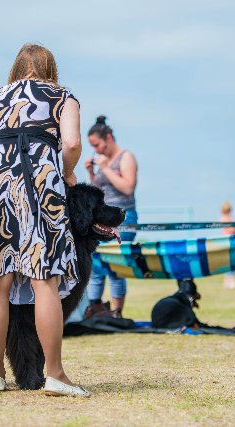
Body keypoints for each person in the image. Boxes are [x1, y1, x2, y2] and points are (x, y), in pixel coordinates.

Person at [0, 43, 89, 397]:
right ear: (50, 68)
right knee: (44, 280)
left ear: (15, 68)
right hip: (39, 187)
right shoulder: (62, 96)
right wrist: (68, 173)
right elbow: (70, 143)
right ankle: (54, 374)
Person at [83, 115, 138, 318]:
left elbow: (128, 187)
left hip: (124, 217)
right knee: (96, 264)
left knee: (115, 266)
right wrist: (91, 174)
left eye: (97, 145)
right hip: (103, 218)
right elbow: (99, 194)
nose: (95, 150)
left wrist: (105, 168)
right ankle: (95, 307)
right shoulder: (103, 161)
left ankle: (117, 312)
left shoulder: (126, 157)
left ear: (108, 138)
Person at [220, 202, 235, 288]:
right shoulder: (225, 218)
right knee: (231, 261)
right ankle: (230, 281)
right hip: (229, 241)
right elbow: (231, 230)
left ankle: (228, 281)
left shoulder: (226, 217)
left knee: (230, 261)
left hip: (230, 240)